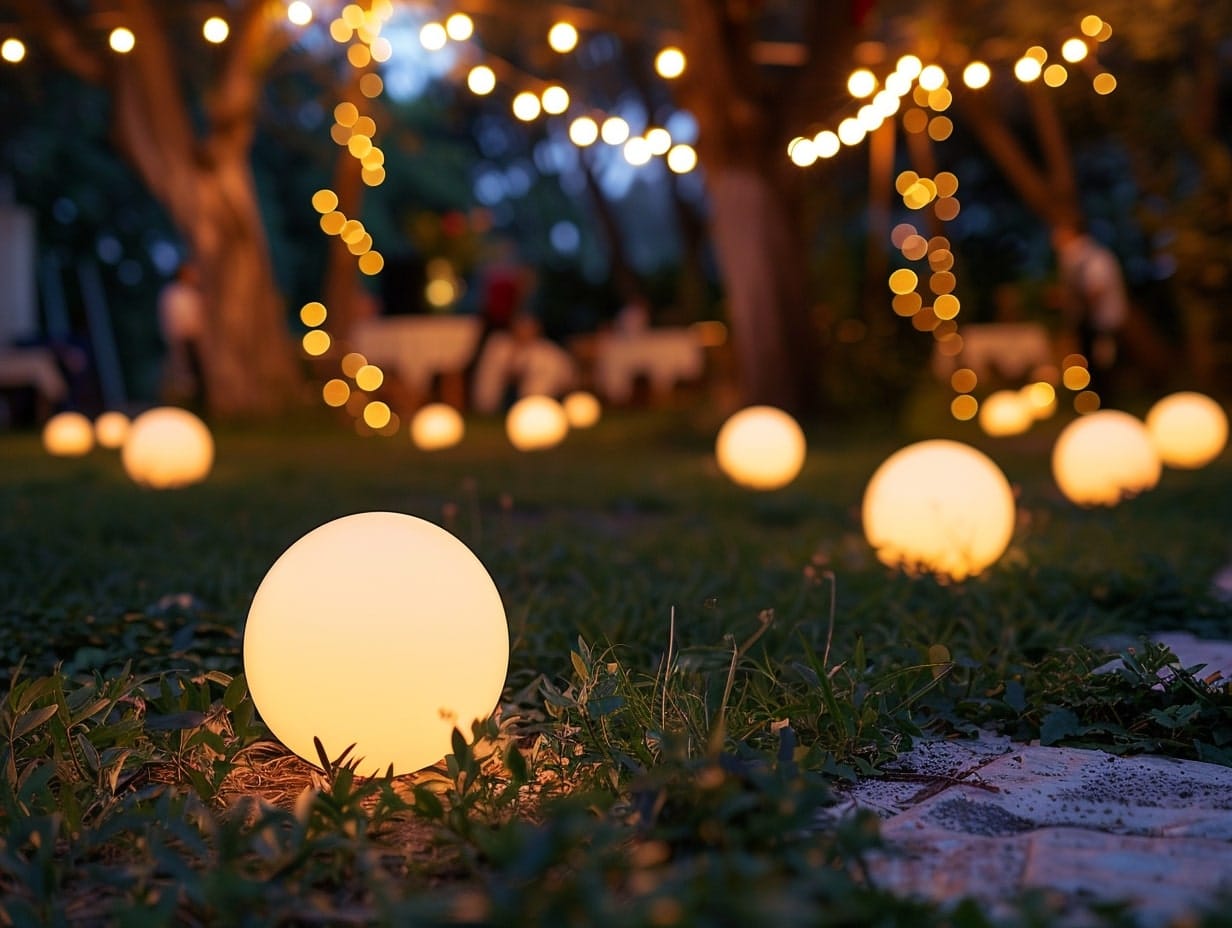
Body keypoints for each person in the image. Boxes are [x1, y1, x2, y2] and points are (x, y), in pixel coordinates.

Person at [1052, 223, 1129, 398]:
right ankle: (1093, 398)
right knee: (1092, 363)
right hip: (1088, 321)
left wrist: (1073, 303)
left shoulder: (1094, 258)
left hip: (1101, 321)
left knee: (1103, 363)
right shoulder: (1073, 260)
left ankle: (1106, 400)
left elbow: (1097, 289)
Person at [158, 261, 207, 408]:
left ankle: (202, 401)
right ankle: (186, 403)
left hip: (198, 338)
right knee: (184, 374)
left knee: (200, 372)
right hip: (180, 338)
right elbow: (170, 317)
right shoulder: (172, 293)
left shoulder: (197, 293)